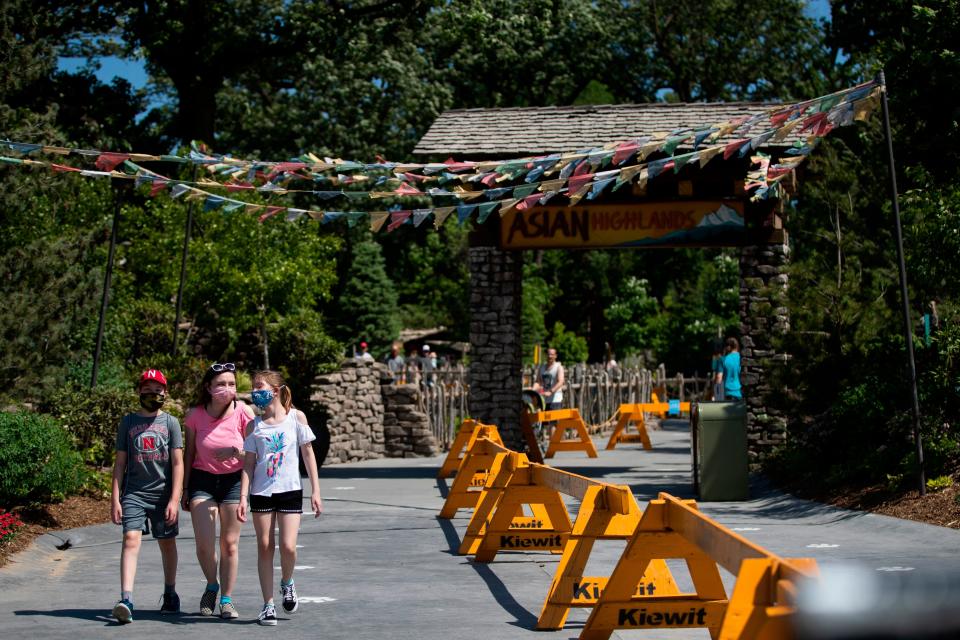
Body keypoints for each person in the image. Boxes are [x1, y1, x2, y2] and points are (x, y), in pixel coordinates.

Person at [238, 370, 322, 626]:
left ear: (275, 390)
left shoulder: (296, 418)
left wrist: (316, 491)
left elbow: (308, 454)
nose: (255, 392)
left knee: (287, 546)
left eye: (259, 387)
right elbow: (249, 464)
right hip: (261, 492)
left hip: (290, 490)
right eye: (253, 387)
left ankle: (287, 582)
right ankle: (268, 605)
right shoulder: (254, 425)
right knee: (264, 546)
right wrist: (243, 496)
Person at [182, 362, 255, 619]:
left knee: (230, 544)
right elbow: (189, 452)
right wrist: (186, 488)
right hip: (203, 478)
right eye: (221, 384)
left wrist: (235, 452)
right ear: (209, 388)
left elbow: (256, 452)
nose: (227, 389)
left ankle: (226, 599)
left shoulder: (244, 413)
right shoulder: (195, 416)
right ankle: (212, 584)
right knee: (204, 543)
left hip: (234, 481)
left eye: (231, 384)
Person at [110, 369, 184, 624]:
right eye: (147, 390)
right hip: (134, 493)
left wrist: (175, 498)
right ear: (139, 392)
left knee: (167, 543)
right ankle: (126, 599)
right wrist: (115, 498)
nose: (153, 395)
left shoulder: (171, 423)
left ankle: (170, 592)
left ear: (165, 393)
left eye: (158, 391)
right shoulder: (128, 422)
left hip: (163, 494)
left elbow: (177, 463)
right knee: (131, 539)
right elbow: (120, 464)